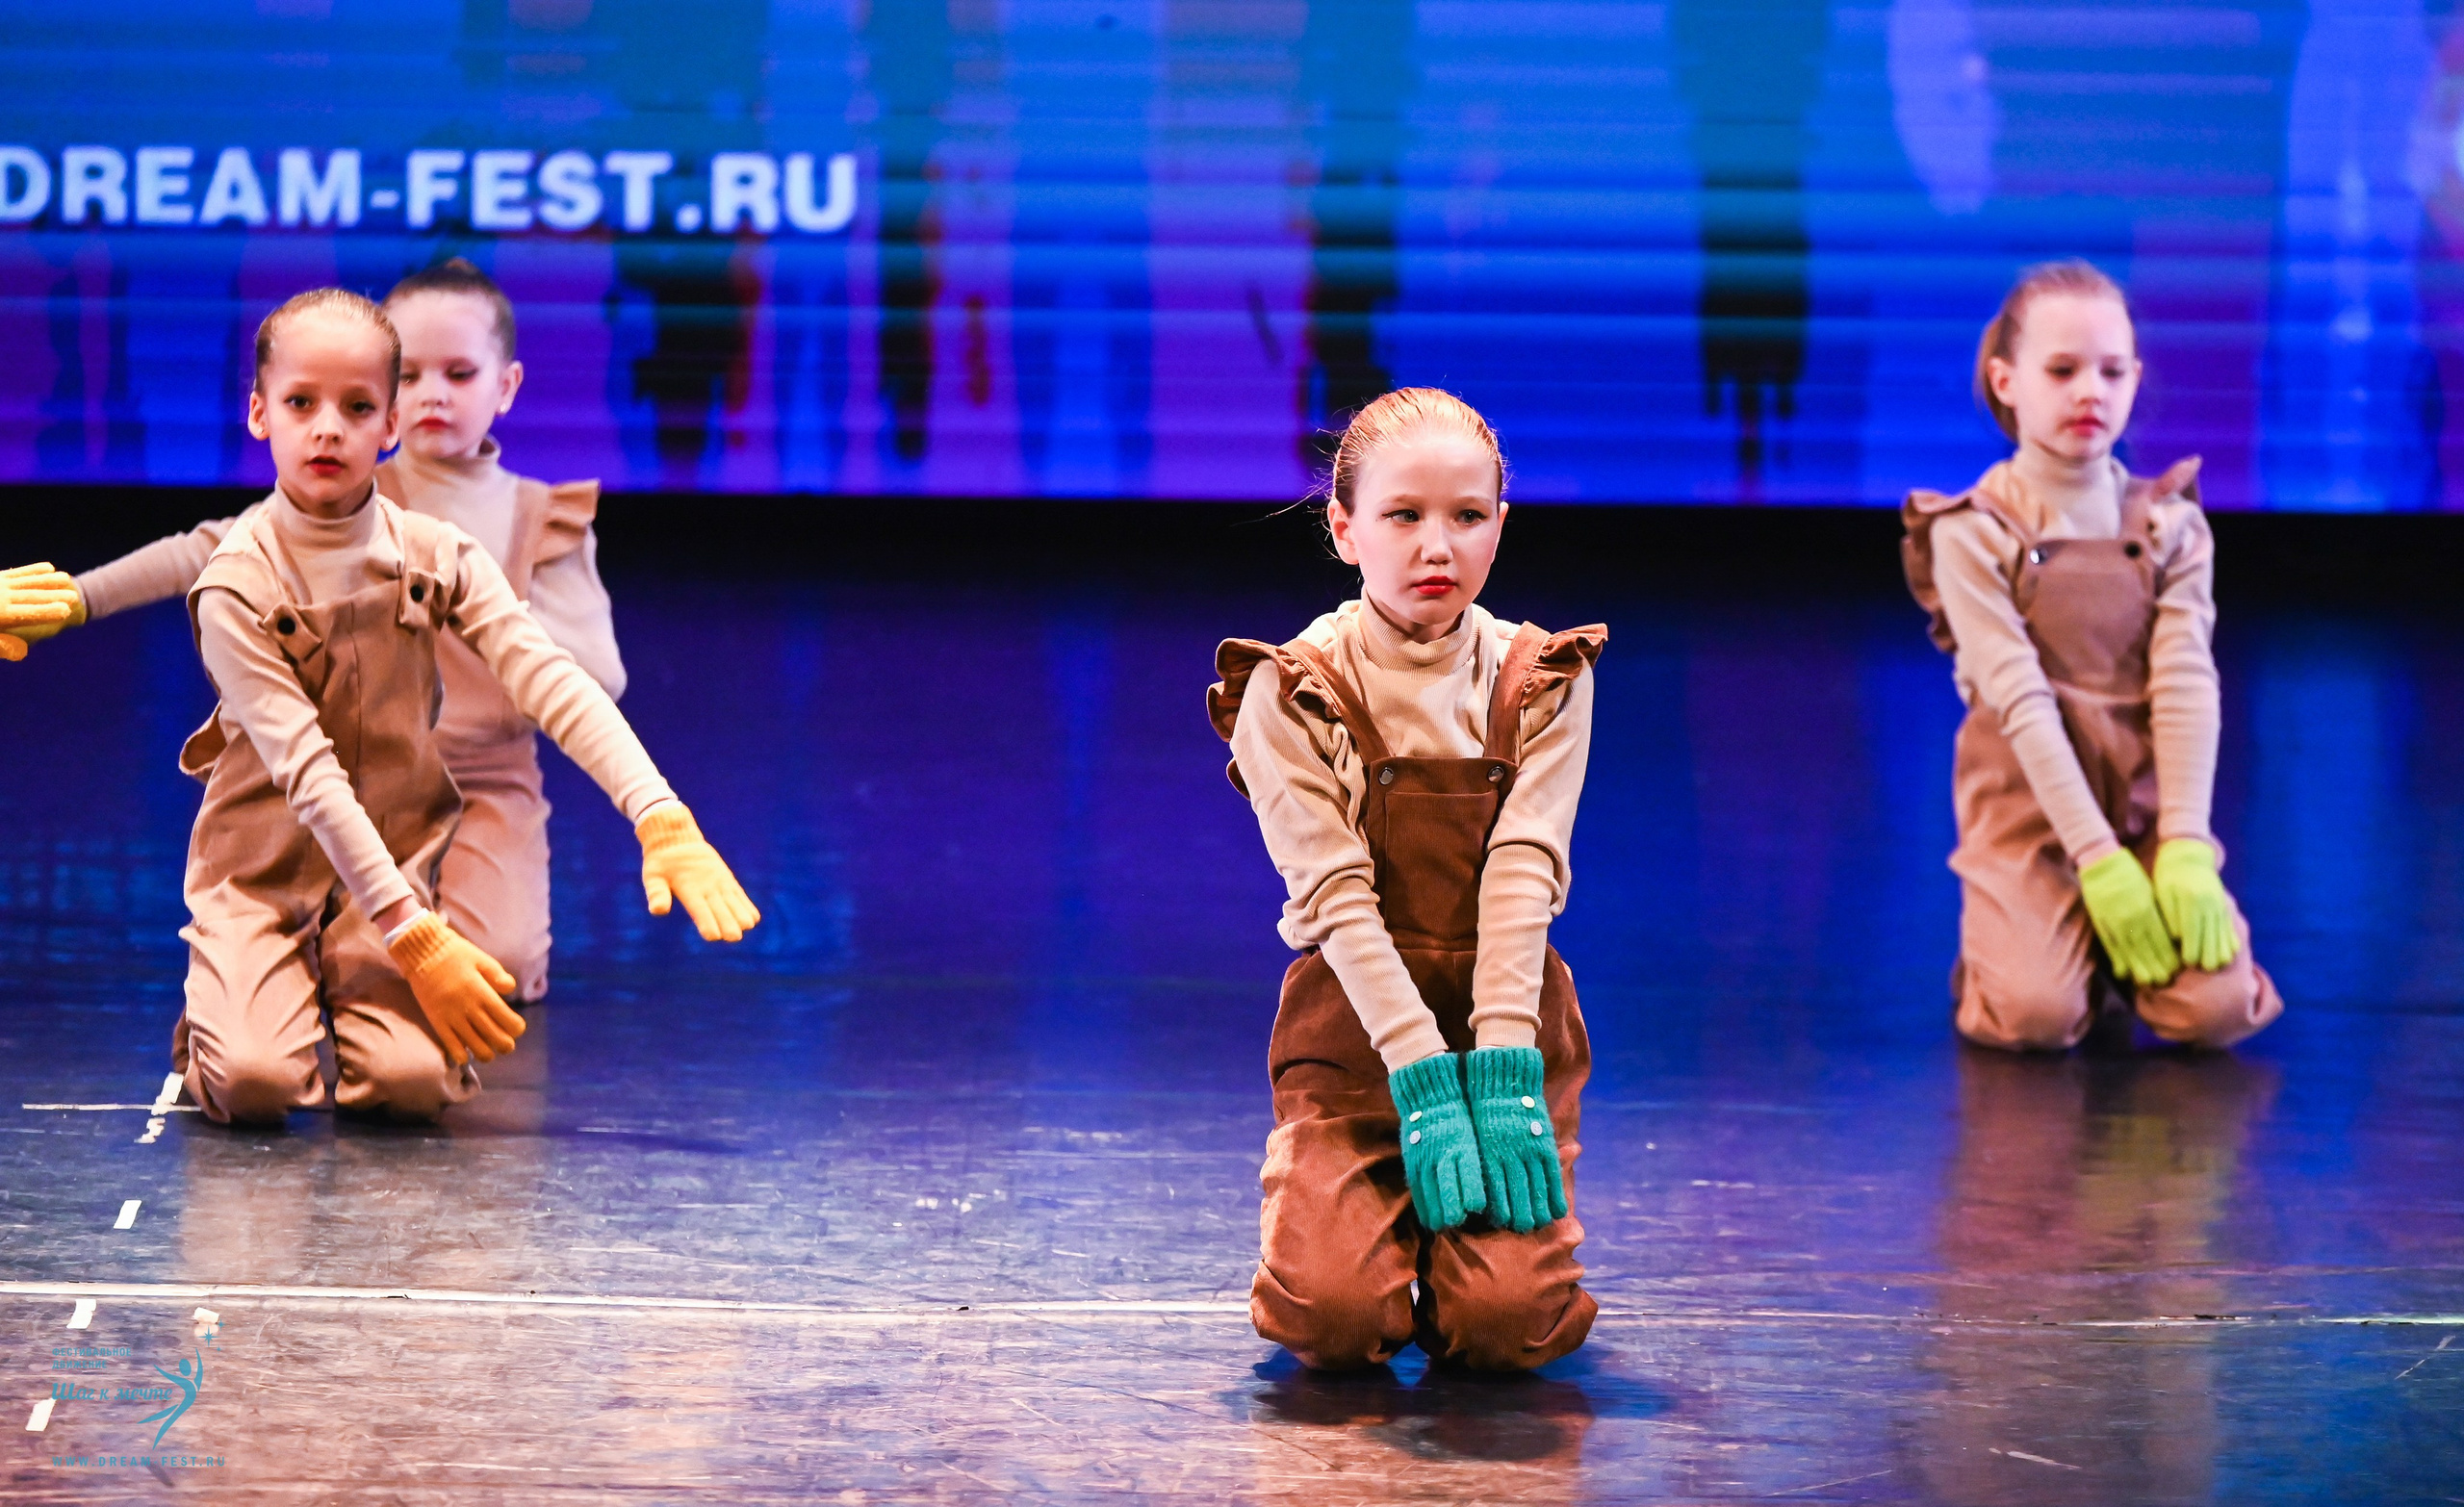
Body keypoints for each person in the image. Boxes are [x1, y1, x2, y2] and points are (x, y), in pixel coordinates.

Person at [170, 286, 757, 1124]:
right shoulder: (236, 582)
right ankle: (233, 1009)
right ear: (260, 414)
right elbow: (310, 776)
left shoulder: (439, 553)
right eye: (302, 402)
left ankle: (346, 980)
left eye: (359, 405)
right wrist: (415, 934)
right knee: (257, 1082)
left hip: (395, 862)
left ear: (391, 425)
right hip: (267, 868)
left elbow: (547, 676)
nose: (329, 427)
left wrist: (660, 815)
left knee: (410, 1087)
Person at [10, 259, 615, 1002]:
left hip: (486, 778)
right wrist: (76, 597)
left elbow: (596, 676)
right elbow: (202, 551)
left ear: (507, 386)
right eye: (414, 374)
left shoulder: (542, 517)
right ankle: (328, 948)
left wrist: (483, 608)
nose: (433, 395)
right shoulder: (351, 480)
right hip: (348, 763)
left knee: (507, 974)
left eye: (459, 373)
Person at [1207, 387, 1605, 1372]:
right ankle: (1361, 1223)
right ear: (1344, 530)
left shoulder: (1545, 676)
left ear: (1499, 529)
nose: (1438, 546)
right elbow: (1335, 896)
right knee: (1331, 1320)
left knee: (1507, 1328)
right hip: (1357, 1034)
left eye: (1467, 517)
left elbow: (1523, 872)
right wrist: (1422, 1079)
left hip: (1503, 1026)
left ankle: (1465, 1257)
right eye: (1403, 516)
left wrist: (1501, 1070)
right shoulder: (1291, 687)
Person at [1901, 259, 2282, 1052]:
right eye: (2063, 370)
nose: (2090, 393)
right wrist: (2096, 861)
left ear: (2136, 379)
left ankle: (2109, 945)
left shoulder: (2172, 525)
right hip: (2031, 813)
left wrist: (2180, 843)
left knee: (2214, 1011)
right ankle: (2018, 941)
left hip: (2142, 809)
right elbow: (2021, 699)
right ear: (2007, 381)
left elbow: (2185, 684)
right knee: (2035, 1021)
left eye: (2112, 372)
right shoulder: (1972, 532)